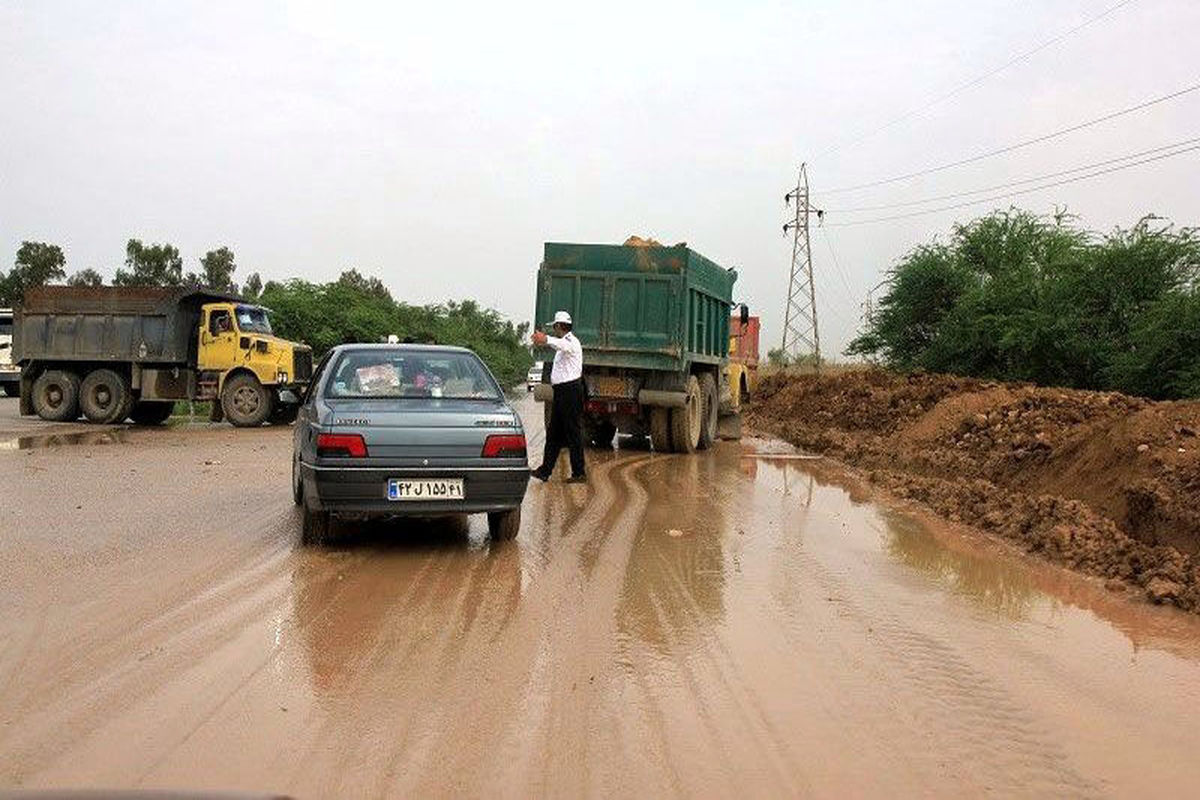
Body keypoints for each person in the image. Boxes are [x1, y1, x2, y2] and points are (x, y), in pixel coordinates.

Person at [531, 310, 586, 483]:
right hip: (562, 393)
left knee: (573, 433)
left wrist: (545, 339)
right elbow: (557, 345)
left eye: (554, 326)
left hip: (570, 392)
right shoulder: (562, 344)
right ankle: (545, 470)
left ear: (559, 326)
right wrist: (547, 341)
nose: (553, 330)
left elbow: (561, 345)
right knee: (554, 433)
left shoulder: (571, 342)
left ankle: (579, 473)